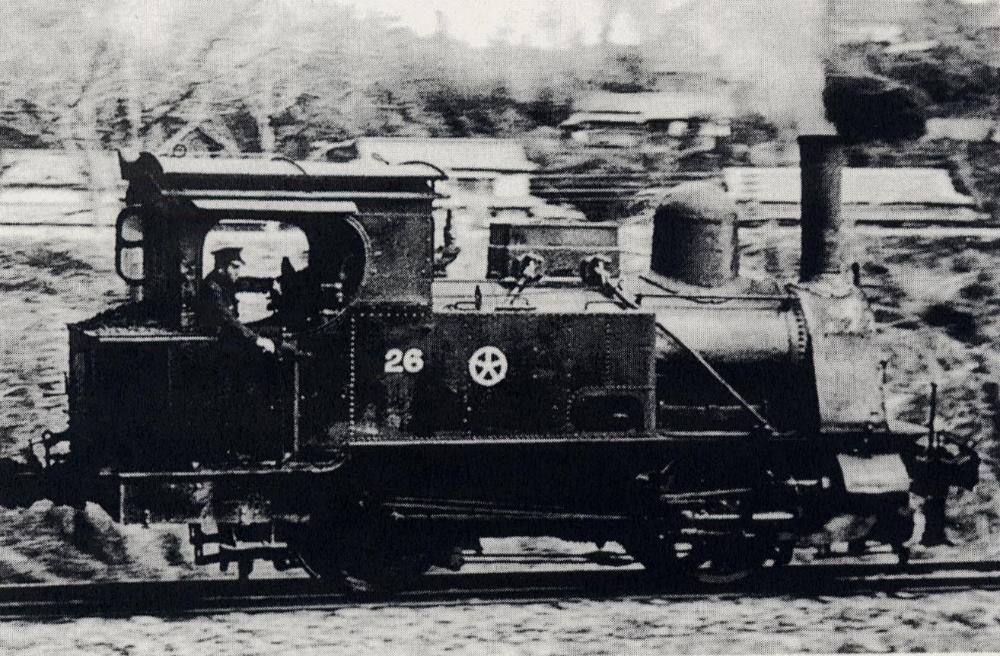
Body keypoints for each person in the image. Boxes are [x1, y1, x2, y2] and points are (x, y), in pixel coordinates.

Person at [198, 247, 275, 354]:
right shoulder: (212, 288)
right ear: (221, 267)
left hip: (226, 336)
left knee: (275, 332)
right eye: (235, 267)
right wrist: (256, 339)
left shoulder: (223, 282)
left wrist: (271, 283)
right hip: (217, 344)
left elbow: (246, 283)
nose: (238, 272)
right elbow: (228, 320)